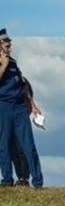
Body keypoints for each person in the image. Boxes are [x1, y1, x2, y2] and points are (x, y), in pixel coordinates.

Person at [0, 28, 43, 189]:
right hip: (3, 106)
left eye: (9, 42)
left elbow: (23, 86)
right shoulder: (4, 63)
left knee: (28, 144)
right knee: (3, 145)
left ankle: (37, 181)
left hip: (19, 107)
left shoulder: (14, 63)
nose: (9, 44)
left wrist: (33, 105)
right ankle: (6, 181)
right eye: (6, 42)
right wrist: (3, 66)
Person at [9, 77, 40, 186]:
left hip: (19, 112)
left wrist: (32, 106)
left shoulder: (17, 77)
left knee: (21, 147)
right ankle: (21, 177)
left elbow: (26, 90)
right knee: (12, 148)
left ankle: (24, 178)